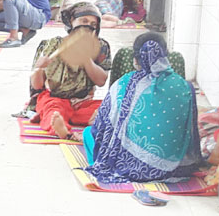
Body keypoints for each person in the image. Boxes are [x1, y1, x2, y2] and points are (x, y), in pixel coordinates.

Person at [83, 32, 203, 184]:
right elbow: (191, 132)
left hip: (129, 167)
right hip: (176, 168)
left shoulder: (124, 83)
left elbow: (100, 128)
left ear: (136, 59)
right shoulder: (186, 87)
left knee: (88, 133)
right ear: (165, 55)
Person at [28, 2, 112, 140]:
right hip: (55, 98)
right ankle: (62, 130)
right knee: (53, 110)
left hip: (83, 101)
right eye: (84, 21)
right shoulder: (53, 45)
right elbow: (37, 85)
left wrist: (86, 58)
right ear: (72, 21)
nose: (88, 27)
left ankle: (88, 122)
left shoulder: (101, 46)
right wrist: (39, 68)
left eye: (93, 24)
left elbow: (101, 81)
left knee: (108, 108)